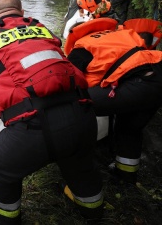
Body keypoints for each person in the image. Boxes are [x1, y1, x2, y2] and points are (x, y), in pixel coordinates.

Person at [0, 0, 104, 224]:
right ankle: (93, 211)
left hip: (30, 133)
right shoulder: (42, 28)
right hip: (82, 117)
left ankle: (8, 220)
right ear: (22, 13)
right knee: (82, 168)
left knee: (3, 173)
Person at [65, 18, 162, 185]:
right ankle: (126, 177)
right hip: (157, 75)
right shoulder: (119, 35)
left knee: (74, 103)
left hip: (138, 83)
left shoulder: (82, 46)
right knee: (130, 129)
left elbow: (68, 82)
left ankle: (78, 170)